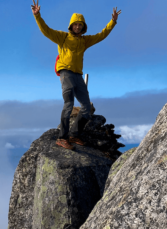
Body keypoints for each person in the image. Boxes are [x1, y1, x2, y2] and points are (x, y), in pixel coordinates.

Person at [31, 0, 121, 150]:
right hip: (66, 73)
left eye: (80, 25)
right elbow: (45, 30)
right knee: (69, 104)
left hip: (78, 76)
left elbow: (101, 35)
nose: (77, 27)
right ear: (71, 25)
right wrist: (37, 15)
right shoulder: (63, 37)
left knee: (86, 106)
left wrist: (113, 21)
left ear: (83, 27)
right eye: (75, 24)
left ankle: (74, 134)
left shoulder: (85, 41)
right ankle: (62, 138)